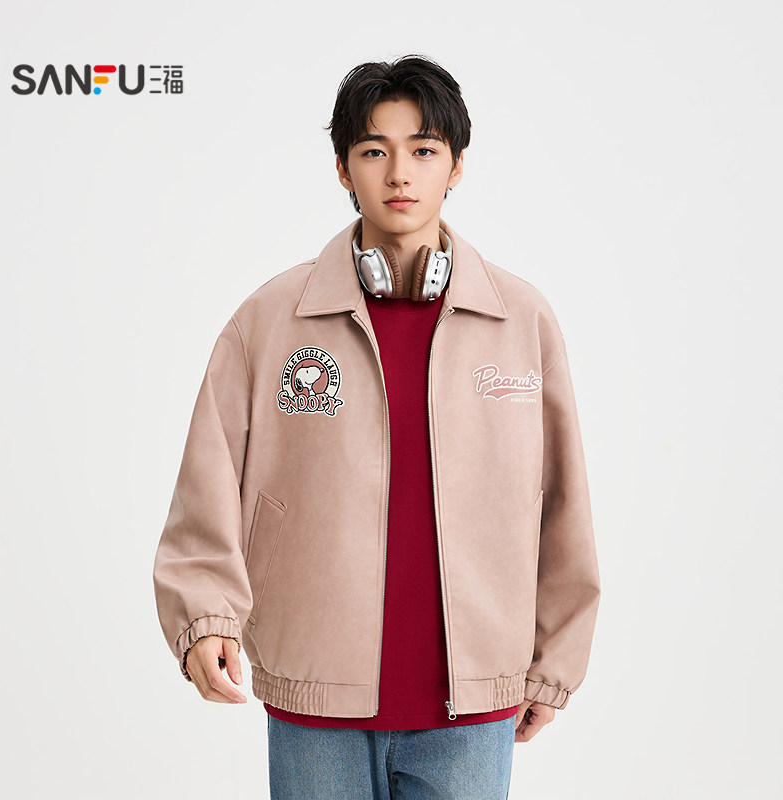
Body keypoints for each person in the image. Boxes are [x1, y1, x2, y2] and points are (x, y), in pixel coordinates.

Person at [153, 54, 601, 800]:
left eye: (423, 150)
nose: (399, 174)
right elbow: (207, 484)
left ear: (456, 166)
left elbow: (564, 503)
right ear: (342, 169)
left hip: (472, 710)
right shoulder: (270, 320)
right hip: (314, 701)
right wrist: (204, 617)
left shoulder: (521, 320)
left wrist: (554, 663)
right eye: (373, 151)